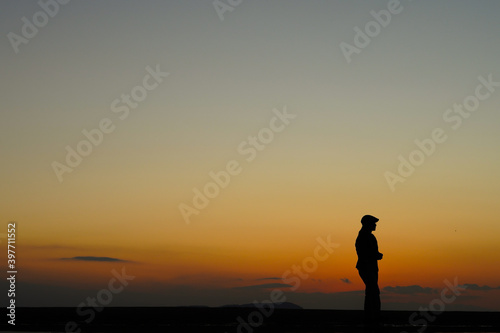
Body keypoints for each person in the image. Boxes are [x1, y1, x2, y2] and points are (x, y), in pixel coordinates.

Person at [355, 214, 383, 324]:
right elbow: (364, 253)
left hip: (370, 267)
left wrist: (376, 255)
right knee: (373, 291)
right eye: (373, 223)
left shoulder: (369, 236)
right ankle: (372, 316)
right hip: (366, 267)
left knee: (372, 291)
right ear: (367, 224)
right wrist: (376, 255)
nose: (375, 225)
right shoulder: (363, 236)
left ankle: (372, 316)